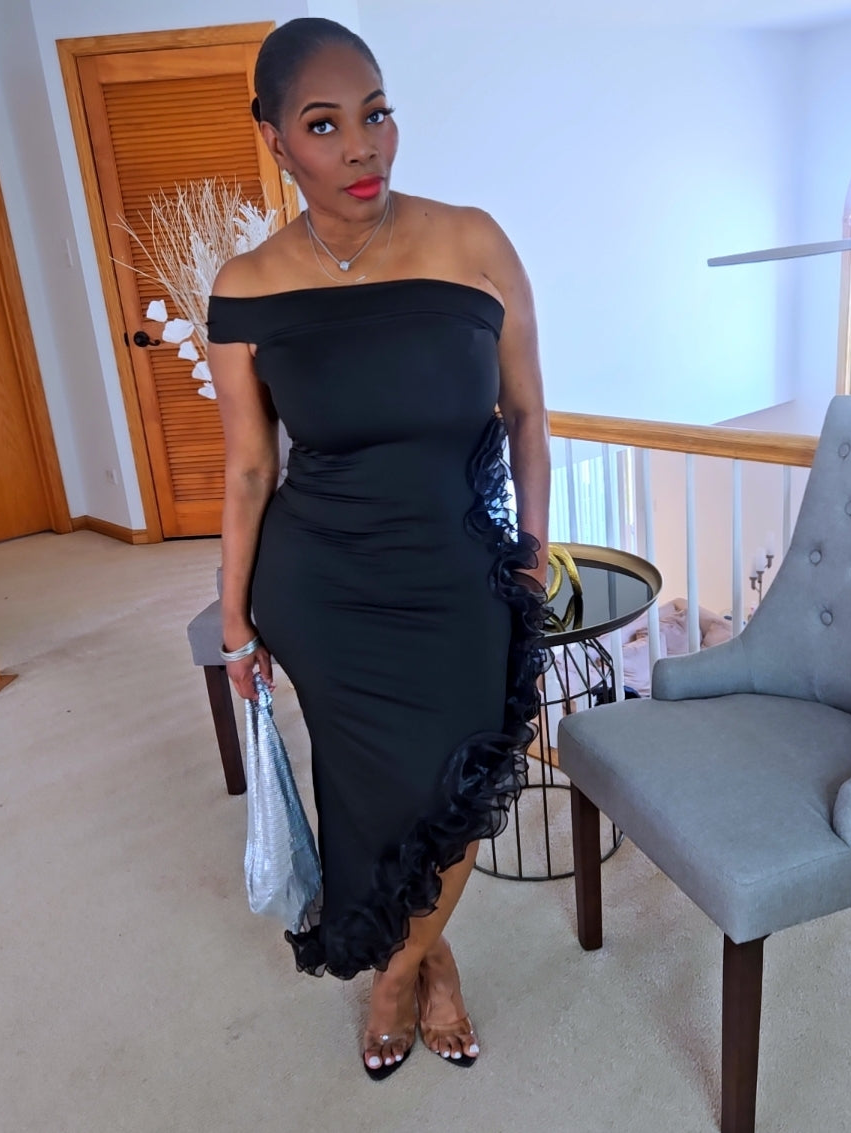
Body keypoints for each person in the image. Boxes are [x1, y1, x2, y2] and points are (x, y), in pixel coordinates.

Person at [207, 17, 550, 1079]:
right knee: (368, 792)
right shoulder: (246, 287)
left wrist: (533, 547)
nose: (362, 146)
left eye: (376, 113)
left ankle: (392, 969)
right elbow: (250, 469)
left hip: (457, 573)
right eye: (324, 125)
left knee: (459, 787)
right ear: (277, 140)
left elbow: (528, 415)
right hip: (321, 585)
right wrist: (234, 618)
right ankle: (427, 963)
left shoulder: (473, 241)